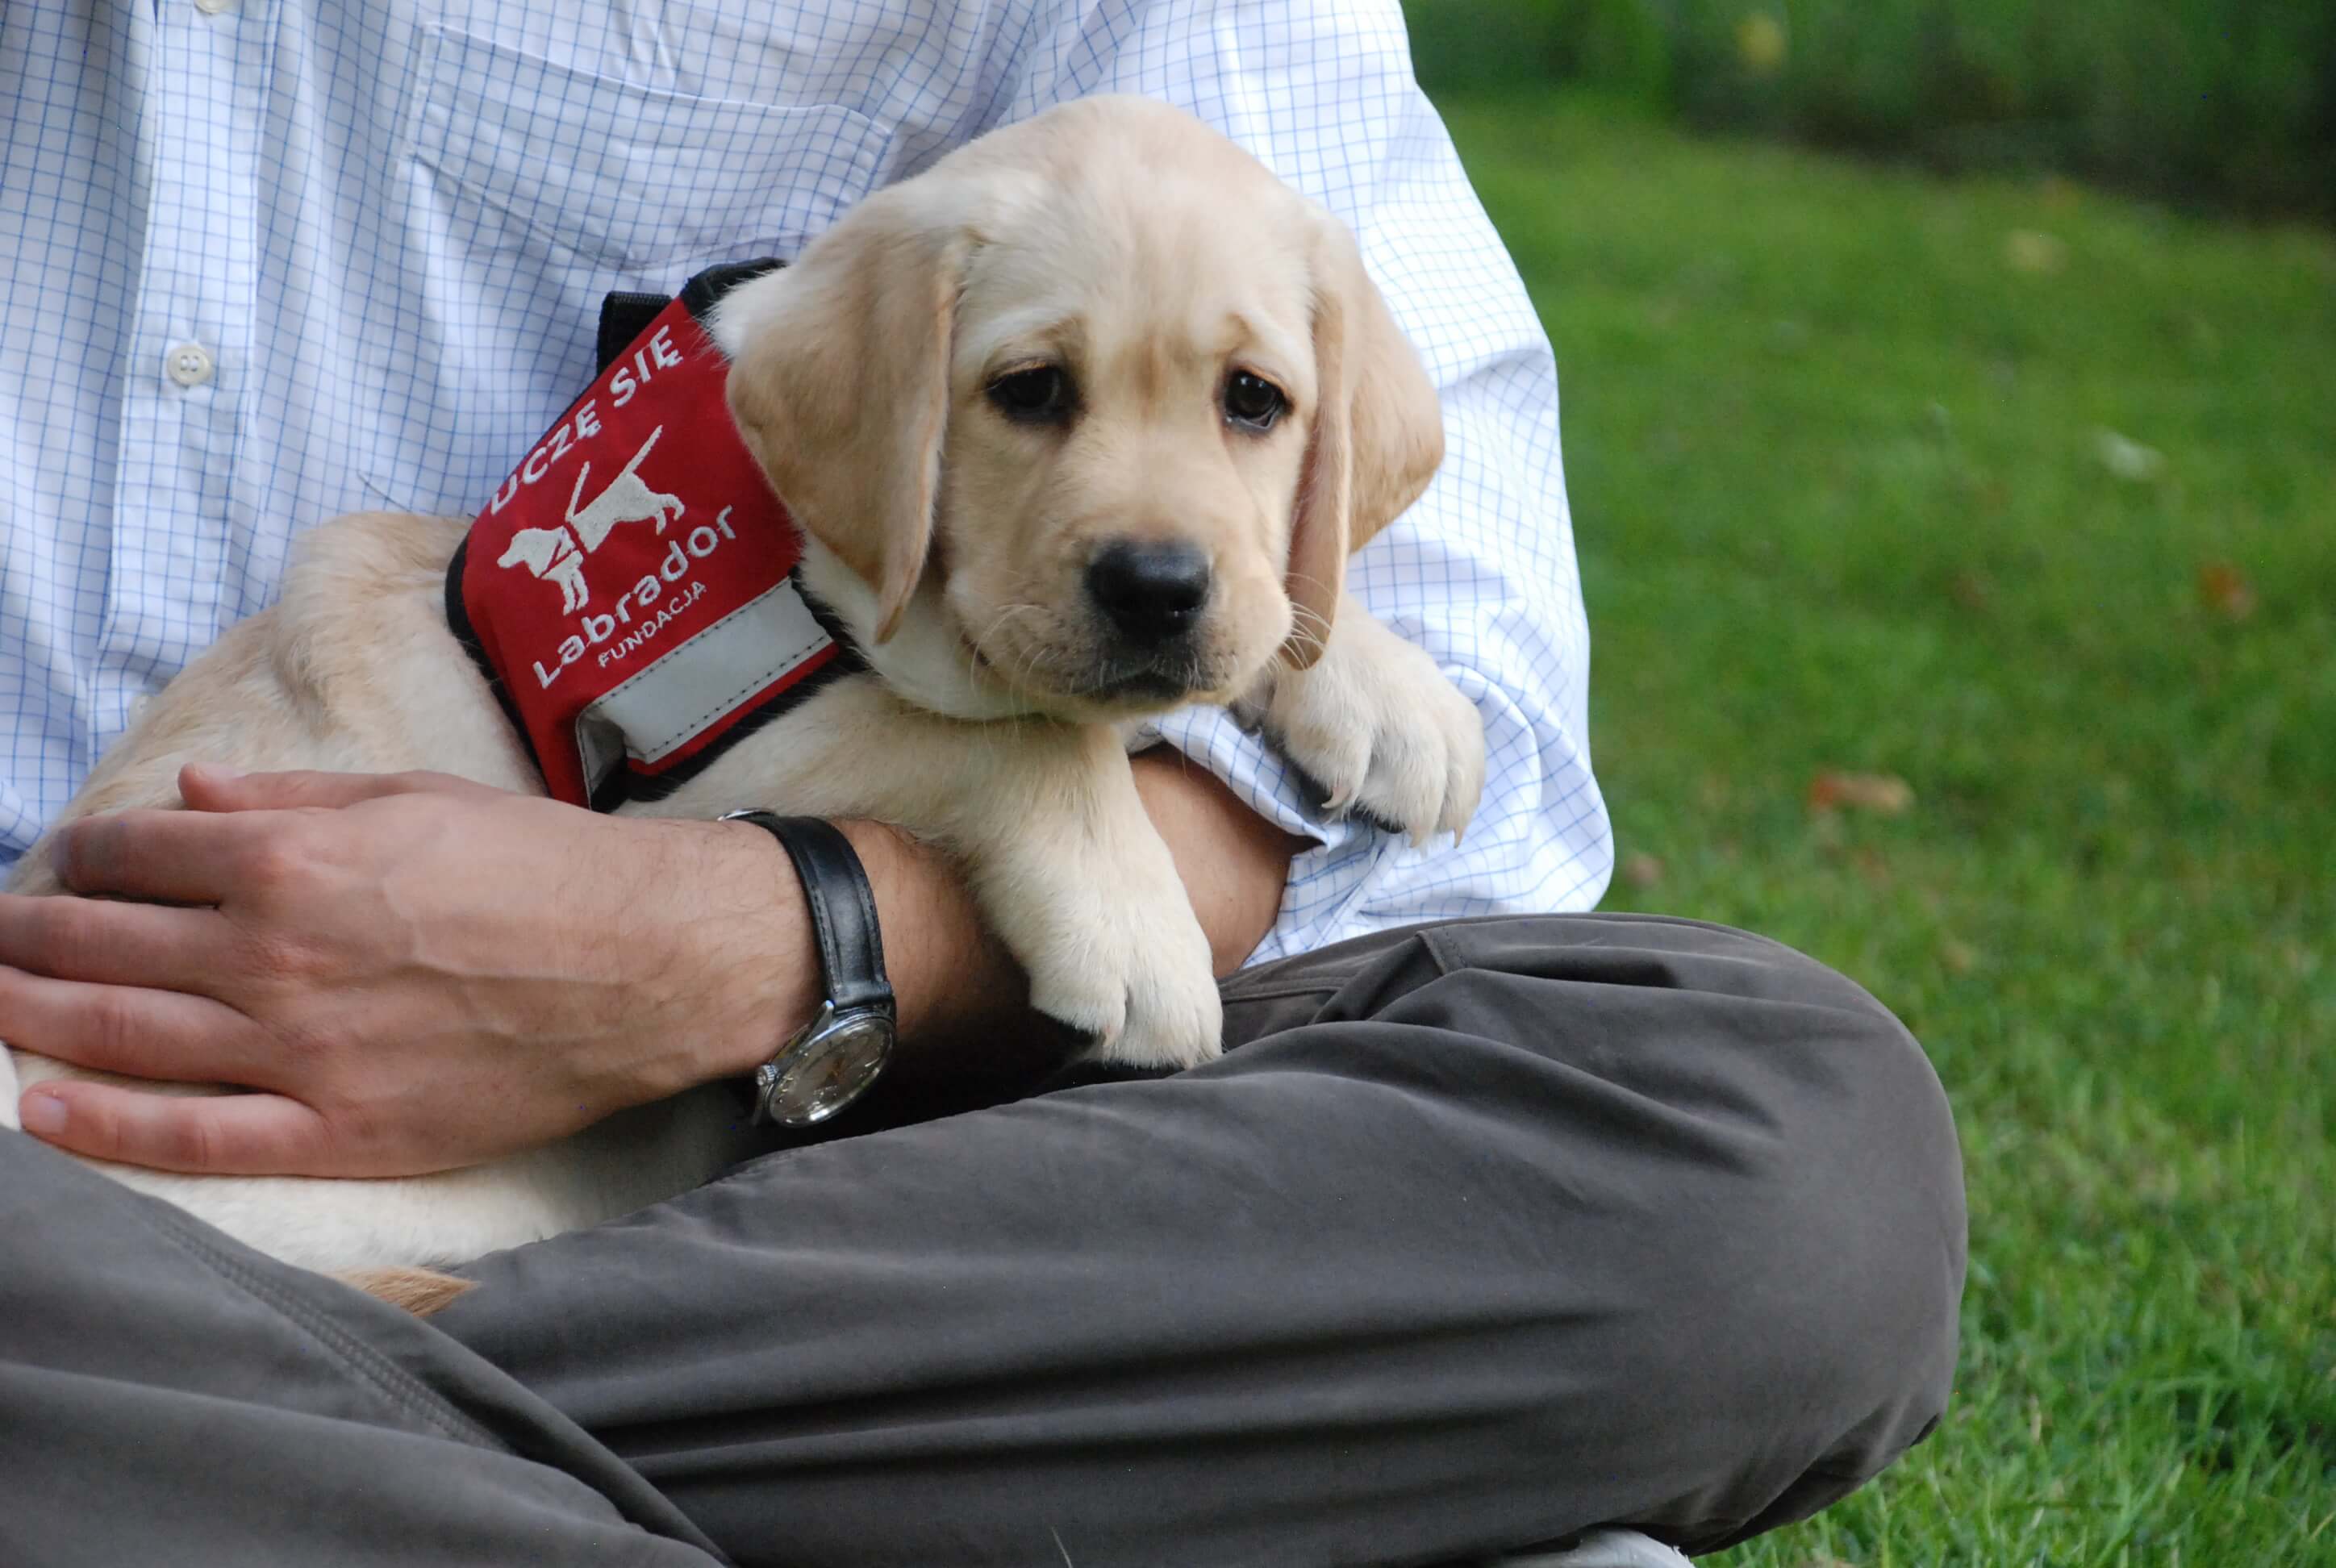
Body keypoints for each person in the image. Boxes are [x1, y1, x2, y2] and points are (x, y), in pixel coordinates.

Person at [0, 2, 1963, 1563]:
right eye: (1033, 394)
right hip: (120, 1211)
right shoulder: (856, 349)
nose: (1155, 524)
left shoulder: (1204, 272)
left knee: (1779, 1144)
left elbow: (1480, 770)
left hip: (892, 1161)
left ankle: (306, 1466)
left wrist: (794, 934)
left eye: (1248, 407)